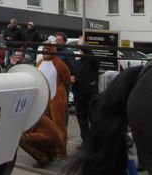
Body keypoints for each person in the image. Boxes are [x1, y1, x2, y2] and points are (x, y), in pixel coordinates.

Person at [19, 37, 71, 166]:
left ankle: (61, 151)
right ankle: (49, 151)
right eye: (45, 50)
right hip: (43, 98)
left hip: (56, 97)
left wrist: (62, 94)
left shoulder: (59, 64)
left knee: (59, 123)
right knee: (45, 126)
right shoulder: (40, 63)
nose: (46, 53)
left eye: (49, 50)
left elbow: (67, 79)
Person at [71, 35, 100, 143]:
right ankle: (86, 142)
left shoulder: (93, 62)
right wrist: (72, 78)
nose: (80, 51)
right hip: (78, 96)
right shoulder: (76, 63)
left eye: (81, 50)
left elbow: (91, 55)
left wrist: (83, 45)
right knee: (81, 120)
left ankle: (95, 141)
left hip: (91, 95)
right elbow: (72, 74)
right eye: (80, 50)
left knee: (93, 119)